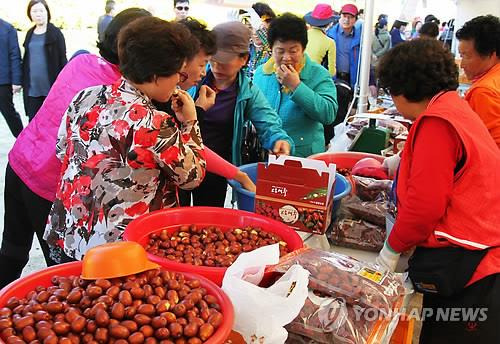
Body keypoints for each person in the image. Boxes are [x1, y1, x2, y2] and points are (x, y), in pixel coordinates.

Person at [44, 16, 207, 263]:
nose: (178, 81)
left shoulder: (86, 96)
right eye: (178, 74)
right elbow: (192, 177)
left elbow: (61, 151)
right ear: (156, 76)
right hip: (117, 254)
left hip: (71, 235)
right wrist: (190, 122)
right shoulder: (154, 123)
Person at [376, 39, 500, 343]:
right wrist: (400, 162)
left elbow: (424, 207)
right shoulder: (451, 105)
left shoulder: (435, 123)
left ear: (404, 90)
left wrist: (391, 249)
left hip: (472, 266)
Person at [183, 21, 294, 207]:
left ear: (244, 59)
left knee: (208, 220)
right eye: (213, 59)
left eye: (224, 61)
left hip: (217, 168)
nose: (217, 66)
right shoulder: (193, 78)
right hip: (182, 163)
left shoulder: (247, 92)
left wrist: (278, 139)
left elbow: (268, 122)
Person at [154, 17, 256, 191]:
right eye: (204, 64)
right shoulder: (154, 111)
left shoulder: (170, 97)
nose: (205, 72)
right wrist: (193, 116)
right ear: (181, 61)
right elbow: (189, 173)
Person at [254, 13, 337, 157]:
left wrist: (296, 86)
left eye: (293, 51)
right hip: (268, 155)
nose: (286, 58)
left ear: (303, 49)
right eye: (280, 51)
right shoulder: (262, 74)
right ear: (271, 49)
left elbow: (328, 114)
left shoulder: (318, 74)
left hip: (304, 156)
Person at [456, 15, 500, 149]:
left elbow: (487, 149)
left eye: (466, 56)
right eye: (460, 56)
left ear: (491, 55)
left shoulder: (484, 92)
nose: (462, 64)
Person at [22, 0, 67, 121]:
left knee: (52, 123)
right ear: (30, 14)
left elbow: (63, 60)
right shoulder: (29, 34)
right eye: (35, 11)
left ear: (47, 12)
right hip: (33, 90)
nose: (38, 14)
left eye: (41, 10)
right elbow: (26, 61)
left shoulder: (56, 33)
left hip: (51, 89)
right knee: (33, 123)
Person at [327, 3, 362, 88]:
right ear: (339, 17)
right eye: (344, 16)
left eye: (350, 17)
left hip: (351, 80)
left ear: (356, 20)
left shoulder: (360, 38)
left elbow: (365, 60)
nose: (346, 19)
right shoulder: (329, 35)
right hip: (332, 79)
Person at [0, 18, 24, 137]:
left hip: (3, 81)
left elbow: (15, 55)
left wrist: (16, 81)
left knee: (9, 113)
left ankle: (22, 140)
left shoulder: (8, 29)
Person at [304, 4, 337, 77]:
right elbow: (331, 72)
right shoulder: (330, 42)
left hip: (296, 74)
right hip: (314, 77)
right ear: (329, 24)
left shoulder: (302, 35)